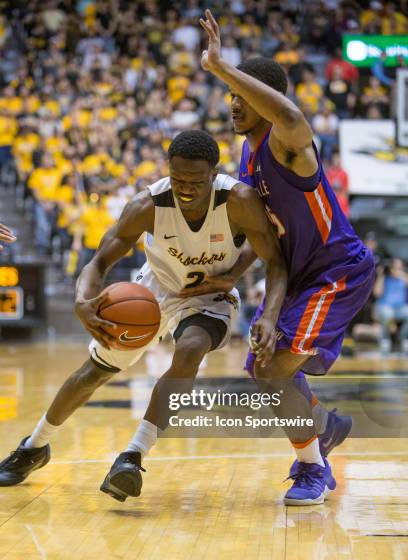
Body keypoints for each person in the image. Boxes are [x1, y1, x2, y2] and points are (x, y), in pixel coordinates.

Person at [0, 130, 287, 502]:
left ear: (214, 174)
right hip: (153, 292)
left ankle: (132, 456)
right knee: (94, 372)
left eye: (196, 182)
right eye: (179, 178)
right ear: (168, 168)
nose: (186, 188)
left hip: (209, 297)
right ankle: (34, 447)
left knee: (192, 347)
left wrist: (266, 311)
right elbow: (100, 260)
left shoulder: (238, 200)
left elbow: (276, 261)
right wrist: (82, 302)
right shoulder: (147, 205)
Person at [184, 10, 376, 505]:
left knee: (273, 369)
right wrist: (227, 275)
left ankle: (315, 470)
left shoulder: (289, 143)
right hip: (296, 273)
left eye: (241, 96)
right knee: (264, 366)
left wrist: (221, 66)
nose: (232, 105)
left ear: (263, 99)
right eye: (229, 97)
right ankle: (323, 429)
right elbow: (265, 238)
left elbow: (291, 115)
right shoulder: (249, 160)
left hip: (336, 271)